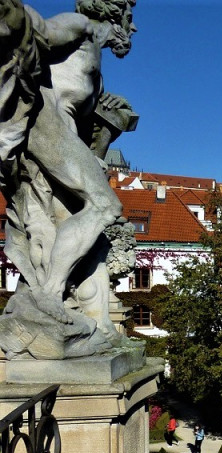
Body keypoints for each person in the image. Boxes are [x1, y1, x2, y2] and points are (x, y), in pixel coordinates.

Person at [0, 0, 138, 356]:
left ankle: (97, 325)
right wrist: (13, 13)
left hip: (63, 135)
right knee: (106, 206)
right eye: (129, 19)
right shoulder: (81, 26)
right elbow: (42, 32)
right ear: (115, 15)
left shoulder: (96, 61)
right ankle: (49, 296)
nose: (133, 30)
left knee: (88, 233)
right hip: (48, 128)